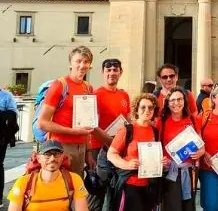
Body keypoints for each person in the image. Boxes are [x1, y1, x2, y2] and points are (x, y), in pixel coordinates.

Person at [36, 46, 97, 178]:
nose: (82, 65)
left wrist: (88, 152)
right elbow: (42, 123)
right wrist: (74, 131)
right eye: (78, 61)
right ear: (70, 63)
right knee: (60, 190)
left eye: (86, 62)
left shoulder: (88, 87)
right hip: (60, 147)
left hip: (81, 147)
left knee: (75, 190)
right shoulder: (59, 85)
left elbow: (86, 124)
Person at [107, 94, 168, 211]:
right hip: (130, 185)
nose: (147, 110)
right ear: (137, 110)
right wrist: (127, 164)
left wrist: (163, 162)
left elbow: (157, 155)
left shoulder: (155, 132)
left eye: (151, 107)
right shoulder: (127, 130)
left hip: (149, 186)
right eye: (143, 107)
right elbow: (111, 154)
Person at [88, 58, 129, 211]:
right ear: (103, 73)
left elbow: (128, 119)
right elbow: (90, 125)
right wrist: (91, 152)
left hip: (118, 149)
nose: (112, 73)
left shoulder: (124, 95)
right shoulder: (95, 95)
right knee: (96, 191)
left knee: (115, 190)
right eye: (108, 70)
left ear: (120, 72)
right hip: (98, 148)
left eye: (115, 70)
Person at [7, 141, 89, 211]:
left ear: (62, 158)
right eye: (47, 154)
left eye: (57, 154)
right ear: (39, 158)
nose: (52, 158)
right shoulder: (24, 182)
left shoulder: (74, 179)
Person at [158, 86, 202, 211]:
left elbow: (201, 144)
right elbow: (156, 146)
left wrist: (201, 152)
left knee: (188, 206)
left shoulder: (193, 120)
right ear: (167, 103)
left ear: (185, 101)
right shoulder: (161, 122)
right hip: (170, 172)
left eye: (179, 99)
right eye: (172, 100)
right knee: (173, 207)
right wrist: (161, 160)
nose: (176, 103)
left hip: (190, 171)